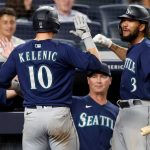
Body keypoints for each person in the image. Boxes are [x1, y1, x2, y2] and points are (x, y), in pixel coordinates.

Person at [0, 6, 103, 150]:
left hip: (32, 116)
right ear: (55, 24)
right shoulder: (64, 48)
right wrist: (86, 36)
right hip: (58, 115)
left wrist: (19, 86)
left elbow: (2, 81)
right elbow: (97, 64)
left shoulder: (19, 50)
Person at [93, 4, 150, 150]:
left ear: (142, 26)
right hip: (125, 112)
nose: (124, 24)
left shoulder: (146, 49)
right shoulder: (136, 48)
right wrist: (110, 44)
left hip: (141, 112)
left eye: (130, 21)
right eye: (123, 20)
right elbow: (129, 58)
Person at [71, 63, 119, 150]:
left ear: (110, 80)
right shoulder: (74, 103)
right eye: (94, 77)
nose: (99, 81)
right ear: (88, 80)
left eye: (103, 76)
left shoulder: (117, 111)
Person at [0, 7, 25, 107]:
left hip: (18, 84)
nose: (9, 26)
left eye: (12, 22)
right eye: (5, 22)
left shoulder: (22, 45)